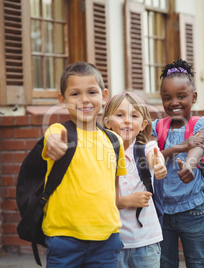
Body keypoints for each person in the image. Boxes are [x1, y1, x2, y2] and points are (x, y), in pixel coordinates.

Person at [42, 62, 126, 267]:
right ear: (62, 100)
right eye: (75, 94)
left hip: (106, 239)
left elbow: (114, 186)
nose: (85, 100)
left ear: (104, 96)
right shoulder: (56, 131)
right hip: (64, 238)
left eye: (91, 92)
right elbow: (51, 143)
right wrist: (53, 146)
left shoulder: (115, 140)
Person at [151, 59, 204, 267]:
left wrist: (189, 164)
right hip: (162, 211)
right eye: (167, 98)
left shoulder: (201, 123)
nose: (174, 102)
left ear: (194, 97)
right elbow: (152, 157)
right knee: (165, 263)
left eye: (181, 96)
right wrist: (178, 148)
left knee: (199, 263)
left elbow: (199, 144)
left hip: (193, 210)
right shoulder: (156, 127)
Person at [102, 92, 167, 268]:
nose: (127, 121)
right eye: (120, 115)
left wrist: (159, 165)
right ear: (107, 122)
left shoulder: (146, 148)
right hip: (114, 242)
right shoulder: (101, 155)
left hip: (147, 241)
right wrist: (125, 201)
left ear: (143, 124)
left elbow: (155, 157)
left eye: (134, 116)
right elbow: (97, 199)